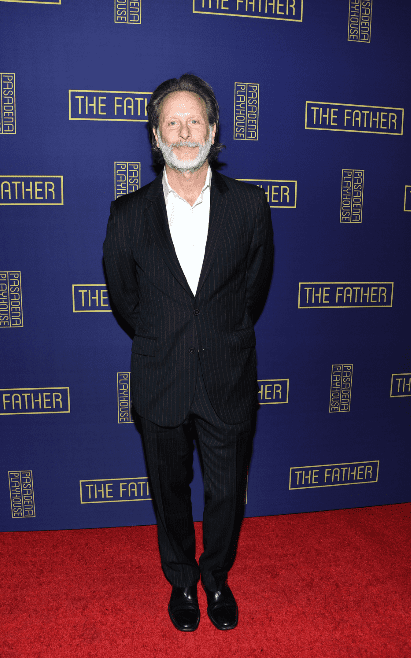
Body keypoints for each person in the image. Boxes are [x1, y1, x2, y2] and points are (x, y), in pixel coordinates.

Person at [103, 74, 273, 631]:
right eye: (171, 123)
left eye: (193, 120)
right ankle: (181, 580)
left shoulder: (249, 206)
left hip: (228, 373)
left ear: (214, 130)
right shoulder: (127, 215)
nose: (183, 133)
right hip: (161, 377)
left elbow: (253, 290)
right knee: (169, 492)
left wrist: (216, 335)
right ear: (156, 136)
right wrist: (167, 336)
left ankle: (217, 577)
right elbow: (127, 301)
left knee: (226, 494)